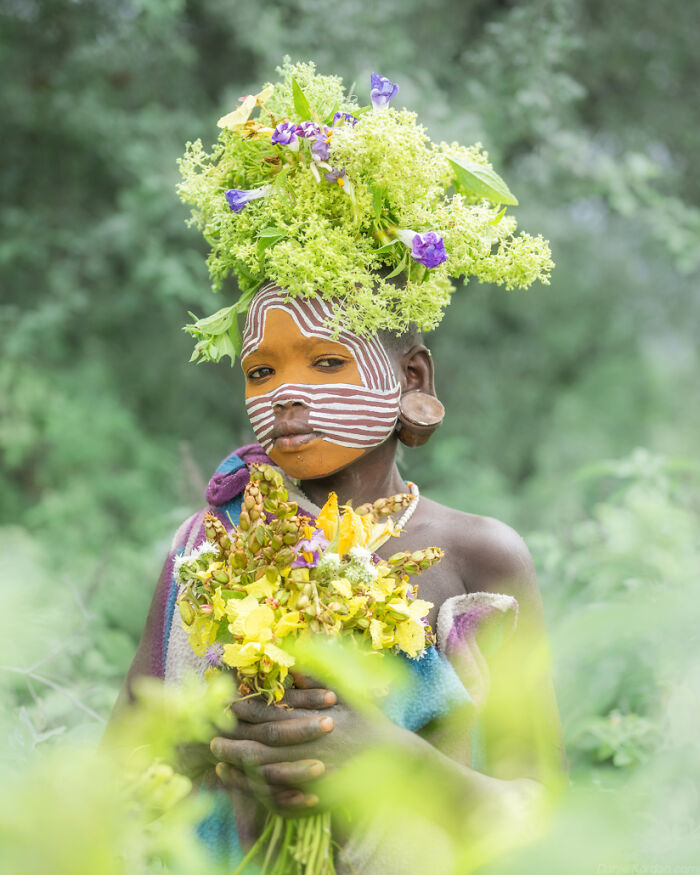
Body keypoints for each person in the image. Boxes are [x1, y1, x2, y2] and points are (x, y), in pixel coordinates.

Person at [113, 61, 564, 869]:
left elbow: (540, 813)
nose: (287, 395)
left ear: (413, 383)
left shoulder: (477, 557)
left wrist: (390, 759)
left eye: (324, 363)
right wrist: (213, 740)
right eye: (262, 371)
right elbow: (117, 772)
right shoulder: (206, 550)